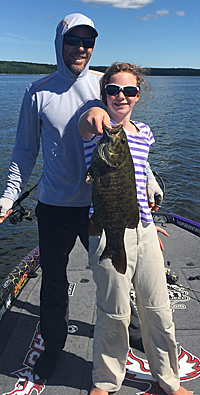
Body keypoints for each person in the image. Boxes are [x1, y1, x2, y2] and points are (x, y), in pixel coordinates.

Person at [0, 13, 162, 380]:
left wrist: (150, 181)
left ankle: (133, 334)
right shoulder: (37, 92)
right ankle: (53, 346)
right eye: (73, 41)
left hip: (101, 204)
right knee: (54, 282)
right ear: (60, 43)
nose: (81, 49)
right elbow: (24, 152)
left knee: (117, 276)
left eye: (88, 42)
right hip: (55, 205)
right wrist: (8, 197)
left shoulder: (106, 87)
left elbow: (129, 147)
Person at [78, 62, 193, 395]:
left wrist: (152, 223)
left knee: (158, 310)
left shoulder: (144, 132)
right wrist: (96, 114)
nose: (121, 96)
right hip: (107, 229)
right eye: (113, 90)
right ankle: (105, 380)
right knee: (114, 311)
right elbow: (88, 124)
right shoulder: (97, 132)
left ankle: (169, 381)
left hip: (143, 228)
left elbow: (140, 174)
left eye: (129, 91)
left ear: (138, 95)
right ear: (104, 95)